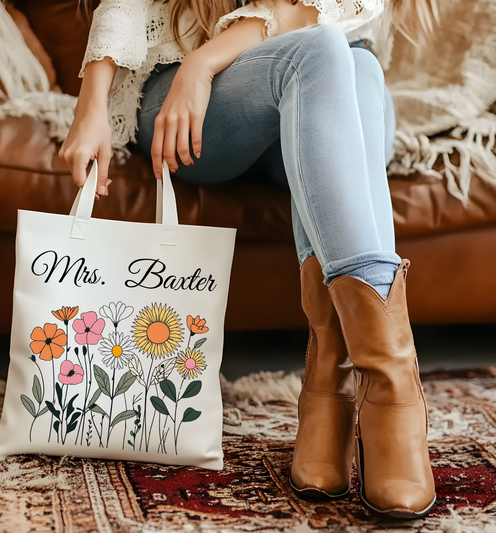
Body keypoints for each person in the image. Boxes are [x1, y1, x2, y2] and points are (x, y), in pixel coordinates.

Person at [59, 0, 439, 519]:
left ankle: (333, 376)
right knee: (324, 53)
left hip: (317, 93)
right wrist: (93, 106)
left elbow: (311, 11)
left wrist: (206, 60)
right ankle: (393, 391)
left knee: (357, 65)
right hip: (196, 108)